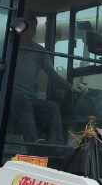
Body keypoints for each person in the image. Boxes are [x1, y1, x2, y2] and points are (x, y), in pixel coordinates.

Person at [10, 15, 87, 145]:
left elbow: (53, 75)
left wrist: (71, 87)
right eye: (27, 28)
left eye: (33, 29)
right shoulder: (7, 47)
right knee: (25, 105)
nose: (31, 32)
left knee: (52, 107)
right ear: (20, 27)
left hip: (29, 97)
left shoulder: (39, 51)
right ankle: (33, 146)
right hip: (11, 98)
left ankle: (56, 145)